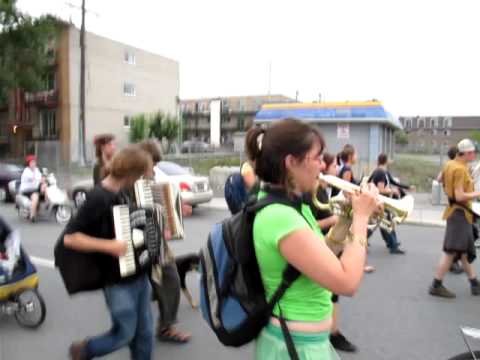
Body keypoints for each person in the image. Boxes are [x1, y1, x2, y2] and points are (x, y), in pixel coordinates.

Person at [245, 119, 379, 359]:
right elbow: (347, 283)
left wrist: (347, 219)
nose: (323, 165)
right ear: (291, 163)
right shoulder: (280, 216)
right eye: (317, 157)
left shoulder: (293, 204)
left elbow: (320, 254)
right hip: (293, 346)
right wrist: (361, 219)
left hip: (304, 342)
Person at [65, 146, 154, 360]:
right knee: (125, 334)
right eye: (144, 174)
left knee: (145, 335)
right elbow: (70, 238)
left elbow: (131, 223)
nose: (147, 178)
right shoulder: (98, 197)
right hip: (116, 282)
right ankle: (85, 350)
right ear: (132, 174)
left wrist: (156, 232)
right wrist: (109, 246)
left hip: (139, 275)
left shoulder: (123, 191)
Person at [137, 139, 192, 344]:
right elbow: (136, 214)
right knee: (145, 285)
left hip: (156, 242)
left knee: (170, 279)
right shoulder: (130, 181)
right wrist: (158, 228)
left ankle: (165, 326)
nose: (155, 168)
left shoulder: (149, 179)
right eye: (153, 163)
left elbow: (162, 203)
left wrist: (179, 209)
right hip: (139, 243)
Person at [309, 152, 357, 353]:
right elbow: (311, 226)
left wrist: (344, 217)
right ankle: (332, 333)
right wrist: (339, 220)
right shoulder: (311, 194)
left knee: (332, 294)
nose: (336, 168)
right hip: (318, 248)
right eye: (332, 165)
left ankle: (333, 332)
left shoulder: (322, 191)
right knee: (331, 292)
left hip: (327, 245)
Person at [429, 139, 480, 298]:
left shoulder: (450, 164)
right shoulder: (460, 169)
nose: (475, 155)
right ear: (468, 153)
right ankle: (436, 284)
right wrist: (477, 193)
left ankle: (474, 283)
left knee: (463, 251)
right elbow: (459, 195)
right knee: (451, 251)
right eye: (474, 152)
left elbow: (442, 181)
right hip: (459, 213)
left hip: (455, 212)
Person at [367, 153, 407, 255]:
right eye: (389, 159)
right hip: (380, 202)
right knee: (384, 224)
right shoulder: (380, 173)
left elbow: (393, 182)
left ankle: (392, 243)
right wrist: (392, 191)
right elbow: (380, 189)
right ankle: (392, 245)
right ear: (385, 160)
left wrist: (407, 187)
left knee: (385, 223)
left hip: (382, 202)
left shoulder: (383, 172)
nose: (390, 160)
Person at [436, 145, 464, 274]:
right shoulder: (456, 167)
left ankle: (455, 261)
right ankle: (453, 262)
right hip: (458, 205)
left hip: (452, 203)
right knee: (456, 237)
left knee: (457, 236)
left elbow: (439, 179)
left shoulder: (448, 166)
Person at [19, 155, 47, 222]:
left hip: (34, 189)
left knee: (45, 186)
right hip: (27, 190)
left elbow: (42, 178)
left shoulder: (36, 169)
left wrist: (44, 181)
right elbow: (34, 178)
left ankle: (46, 204)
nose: (34, 163)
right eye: (32, 162)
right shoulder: (26, 171)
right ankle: (32, 215)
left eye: (34, 162)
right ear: (28, 163)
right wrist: (41, 180)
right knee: (35, 197)